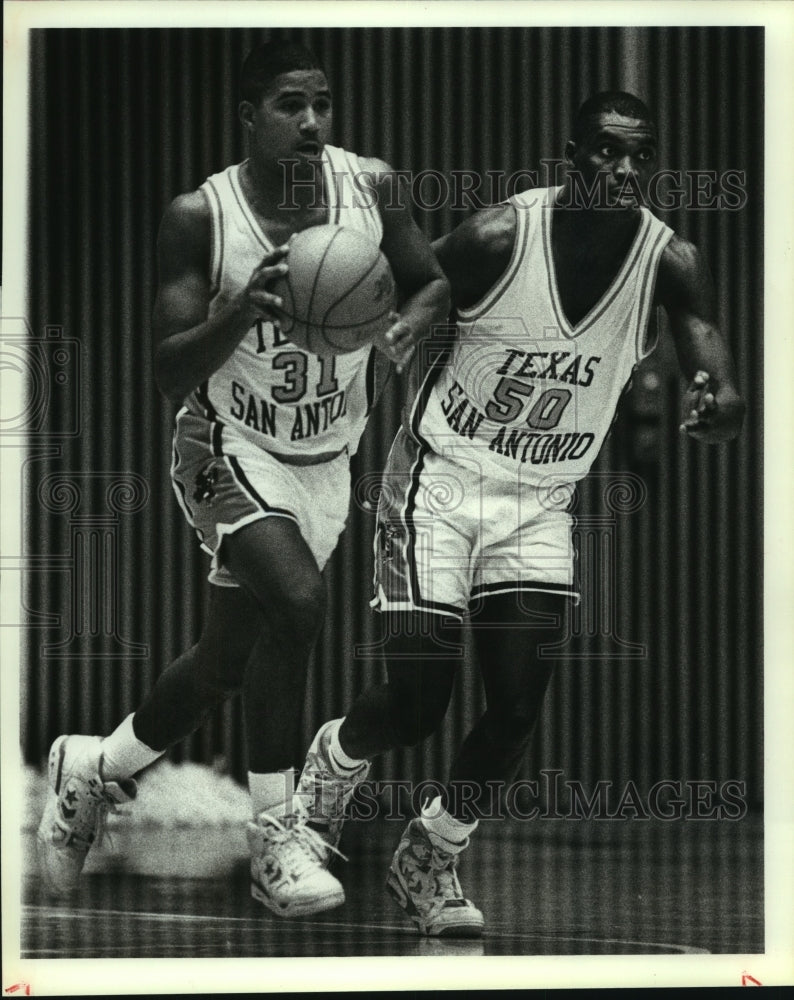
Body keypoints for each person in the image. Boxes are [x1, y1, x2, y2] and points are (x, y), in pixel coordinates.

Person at [294, 91, 746, 937]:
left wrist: (720, 403)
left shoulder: (669, 259)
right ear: (570, 154)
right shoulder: (506, 234)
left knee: (514, 710)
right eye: (605, 153)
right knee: (419, 703)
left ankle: (430, 850)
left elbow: (710, 354)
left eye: (637, 156)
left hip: (542, 498)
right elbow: (424, 285)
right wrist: (391, 330)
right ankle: (333, 761)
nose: (621, 171)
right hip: (442, 478)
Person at [36, 39, 449, 918]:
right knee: (298, 603)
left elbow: (434, 283)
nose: (310, 121)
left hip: (327, 459)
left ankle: (93, 767)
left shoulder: (369, 186)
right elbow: (167, 370)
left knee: (227, 660)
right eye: (289, 105)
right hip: (222, 447)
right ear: (248, 118)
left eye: (322, 104)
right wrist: (239, 310)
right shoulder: (203, 215)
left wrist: (405, 330)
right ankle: (277, 833)